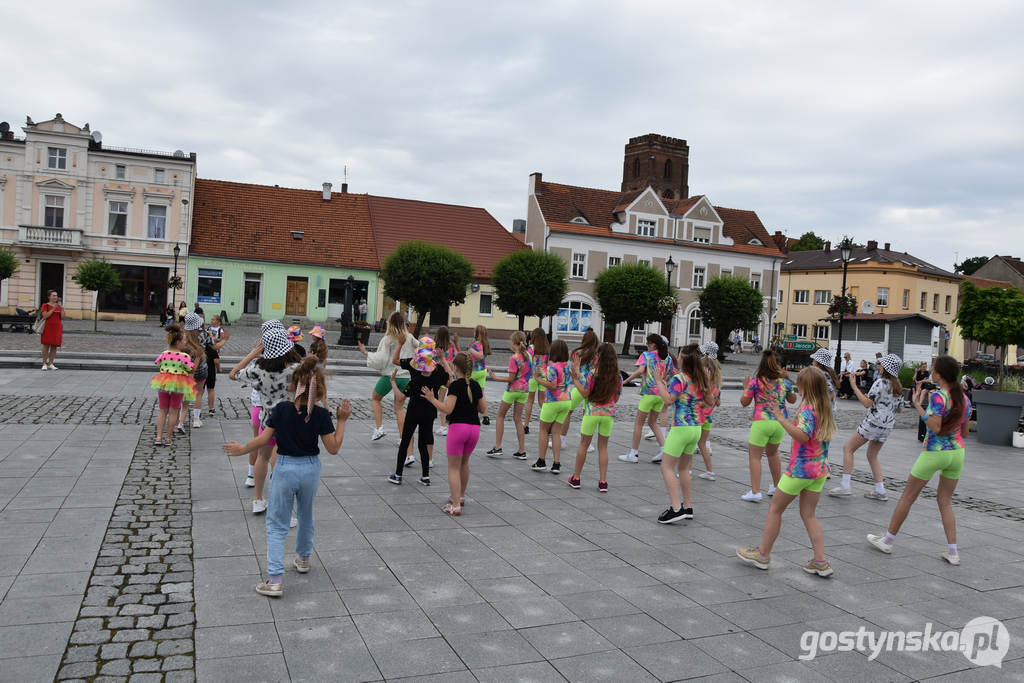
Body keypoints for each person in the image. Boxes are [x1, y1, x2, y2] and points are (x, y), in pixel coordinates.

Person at [222, 356, 352, 597]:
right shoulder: (322, 414)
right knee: (305, 514)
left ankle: (274, 580)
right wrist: (342, 421)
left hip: (285, 467)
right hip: (310, 469)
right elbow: (333, 448)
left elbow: (263, 440)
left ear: (294, 384)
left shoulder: (281, 409)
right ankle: (303, 559)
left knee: (277, 523)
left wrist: (242, 450)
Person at [867, 356, 970, 565]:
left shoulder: (939, 397)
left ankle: (887, 540)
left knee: (908, 497)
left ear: (939, 374)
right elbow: (965, 432)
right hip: (957, 453)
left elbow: (935, 427)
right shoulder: (964, 399)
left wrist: (917, 405)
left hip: (934, 451)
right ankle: (953, 551)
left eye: (933, 368)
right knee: (945, 502)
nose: (931, 371)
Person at [737, 366, 837, 576]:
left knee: (775, 509)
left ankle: (763, 555)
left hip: (800, 471)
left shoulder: (808, 408)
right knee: (809, 514)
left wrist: (781, 419)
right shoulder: (824, 405)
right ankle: (821, 561)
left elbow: (802, 436)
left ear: (805, 386)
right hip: (818, 471)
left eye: (799, 383)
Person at [230, 321, 302, 514]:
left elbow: (233, 374)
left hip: (267, 420)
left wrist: (252, 355)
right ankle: (279, 501)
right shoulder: (296, 369)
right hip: (290, 422)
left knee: (263, 457)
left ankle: (257, 499)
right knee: (281, 461)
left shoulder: (258, 370)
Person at [653, 344, 715, 524]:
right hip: (695, 428)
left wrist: (658, 382)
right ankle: (687, 506)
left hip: (681, 427)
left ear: (684, 359)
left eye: (679, 355)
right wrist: (709, 385)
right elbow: (710, 401)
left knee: (666, 467)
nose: (677, 357)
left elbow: (668, 400)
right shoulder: (700, 379)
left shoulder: (679, 379)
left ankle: (676, 508)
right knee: (684, 468)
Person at [830, 354, 903, 501]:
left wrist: (854, 386)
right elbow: (900, 410)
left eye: (881, 364)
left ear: (886, 368)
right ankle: (880, 490)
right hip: (887, 425)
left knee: (848, 448)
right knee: (872, 455)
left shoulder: (880, 383)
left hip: (873, 422)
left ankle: (845, 486)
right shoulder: (898, 386)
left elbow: (867, 403)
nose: (878, 366)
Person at [422, 352, 486, 515]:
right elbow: (483, 409)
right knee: (464, 464)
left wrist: (431, 399)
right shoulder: (476, 385)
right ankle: (461, 497)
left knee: (453, 468)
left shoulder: (456, 386)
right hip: (474, 430)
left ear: (455, 367)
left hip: (458, 428)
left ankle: (455, 504)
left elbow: (447, 409)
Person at [388, 337, 448, 485]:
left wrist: (393, 382)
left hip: (414, 411)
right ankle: (425, 476)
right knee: (423, 443)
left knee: (405, 441)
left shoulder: (414, 379)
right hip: (429, 412)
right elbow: (449, 379)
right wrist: (443, 360)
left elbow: (401, 397)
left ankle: (398, 474)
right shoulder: (439, 370)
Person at [740, 350, 798, 502]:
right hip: (780, 423)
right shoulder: (784, 382)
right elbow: (792, 400)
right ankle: (776, 486)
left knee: (755, 457)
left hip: (761, 422)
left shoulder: (756, 382)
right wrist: (788, 380)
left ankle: (755, 491)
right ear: (778, 365)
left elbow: (744, 402)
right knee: (773, 454)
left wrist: (746, 387)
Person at [567, 342, 621, 492]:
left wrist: (575, 380)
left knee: (583, 444)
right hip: (608, 414)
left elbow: (585, 393)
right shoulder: (617, 376)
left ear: (599, 356)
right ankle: (603, 482)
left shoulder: (593, 373)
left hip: (592, 412)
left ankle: (576, 478)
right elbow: (616, 399)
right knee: (603, 447)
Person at [357, 312, 416, 442]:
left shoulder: (388, 338)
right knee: (399, 408)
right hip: (406, 377)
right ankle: (403, 437)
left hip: (391, 375)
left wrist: (366, 352)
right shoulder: (410, 337)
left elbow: (382, 357)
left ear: (390, 323)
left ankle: (379, 429)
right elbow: (419, 348)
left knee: (375, 398)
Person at [619, 334, 676, 463]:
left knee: (639, 423)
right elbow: (674, 373)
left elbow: (640, 371)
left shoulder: (646, 355)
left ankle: (633, 453)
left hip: (649, 394)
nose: (647, 345)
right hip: (661, 394)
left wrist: (625, 381)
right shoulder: (668, 358)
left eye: (648, 343)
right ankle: (663, 450)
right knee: (652, 422)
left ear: (653, 344)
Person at [485, 331, 531, 460]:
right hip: (524, 391)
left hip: (512, 391)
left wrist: (495, 377)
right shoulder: (528, 356)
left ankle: (498, 447)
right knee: (518, 419)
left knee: (500, 416)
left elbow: (511, 378)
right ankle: (522, 450)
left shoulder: (514, 358)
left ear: (514, 343)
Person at [150, 324, 197, 446]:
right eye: (184, 341)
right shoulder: (184, 356)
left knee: (162, 411)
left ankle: (158, 437)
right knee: (173, 412)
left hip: (164, 384)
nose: (185, 343)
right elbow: (191, 369)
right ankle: (168, 438)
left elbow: (158, 363)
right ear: (177, 342)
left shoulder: (164, 353)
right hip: (178, 385)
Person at [531, 339, 571, 474]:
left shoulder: (553, 367)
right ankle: (556, 463)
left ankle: (541, 461)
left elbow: (552, 385)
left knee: (543, 430)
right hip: (566, 401)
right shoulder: (568, 365)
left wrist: (537, 379)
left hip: (553, 401)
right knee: (556, 432)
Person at [561, 330, 600, 444]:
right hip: (591, 387)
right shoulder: (596, 355)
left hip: (579, 386)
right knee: (587, 415)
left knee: (568, 411)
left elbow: (570, 369)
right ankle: (588, 443)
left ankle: (562, 439)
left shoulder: (576, 353)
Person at [696, 342, 722, 481]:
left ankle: (685, 470)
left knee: (689, 444)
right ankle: (710, 471)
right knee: (702, 444)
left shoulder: (702, 383)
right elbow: (718, 402)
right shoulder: (717, 384)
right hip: (708, 418)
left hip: (698, 417)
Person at [180, 313, 210, 430]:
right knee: (199, 393)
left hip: (187, 369)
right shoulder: (204, 334)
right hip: (201, 367)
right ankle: (196, 420)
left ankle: (181, 419)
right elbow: (211, 345)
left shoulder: (183, 336)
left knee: (186, 395)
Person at [433, 326, 460, 436]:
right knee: (441, 400)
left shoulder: (435, 346)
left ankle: (443, 425)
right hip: (447, 375)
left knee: (436, 400)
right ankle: (443, 425)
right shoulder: (451, 346)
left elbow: (432, 360)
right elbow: (455, 359)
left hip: (436, 375)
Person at [523, 327, 549, 435]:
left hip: (532, 377)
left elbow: (527, 360)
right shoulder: (546, 348)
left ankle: (526, 425)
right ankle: (548, 425)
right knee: (542, 402)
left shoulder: (532, 347)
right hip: (543, 377)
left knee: (530, 401)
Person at [203, 314, 229, 417]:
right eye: (211, 319)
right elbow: (217, 361)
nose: (212, 321)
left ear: (218, 320)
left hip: (211, 352)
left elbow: (221, 339)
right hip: (212, 354)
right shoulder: (208, 329)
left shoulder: (219, 329)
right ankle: (211, 408)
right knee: (210, 388)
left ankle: (198, 410)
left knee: (200, 390)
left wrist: (215, 339)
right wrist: (218, 369)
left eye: (214, 319)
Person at [469, 325, 491, 425]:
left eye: (474, 332)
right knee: (481, 394)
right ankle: (486, 416)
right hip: (483, 371)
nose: (473, 334)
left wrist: (470, 349)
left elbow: (480, 356)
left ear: (477, 334)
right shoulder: (485, 344)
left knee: (469, 392)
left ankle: (470, 413)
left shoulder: (476, 344)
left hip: (474, 372)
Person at [39, 290, 63, 370]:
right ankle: (44, 363)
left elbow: (63, 317)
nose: (55, 297)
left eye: (56, 296)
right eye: (53, 295)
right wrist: (53, 309)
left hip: (57, 327)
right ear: (49, 297)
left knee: (54, 346)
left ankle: (51, 363)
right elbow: (45, 316)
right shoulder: (45, 305)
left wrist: (61, 308)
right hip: (48, 327)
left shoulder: (59, 306)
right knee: (46, 345)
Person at [914, 362, 931, 442]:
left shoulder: (927, 372)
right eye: (923, 366)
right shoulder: (919, 372)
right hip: (919, 385)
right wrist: (916, 372)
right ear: (921, 367)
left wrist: (920, 381)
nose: (924, 368)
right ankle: (918, 403)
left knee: (921, 388)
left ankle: (918, 404)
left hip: (924, 385)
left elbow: (926, 380)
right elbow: (914, 379)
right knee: (918, 386)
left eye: (925, 366)